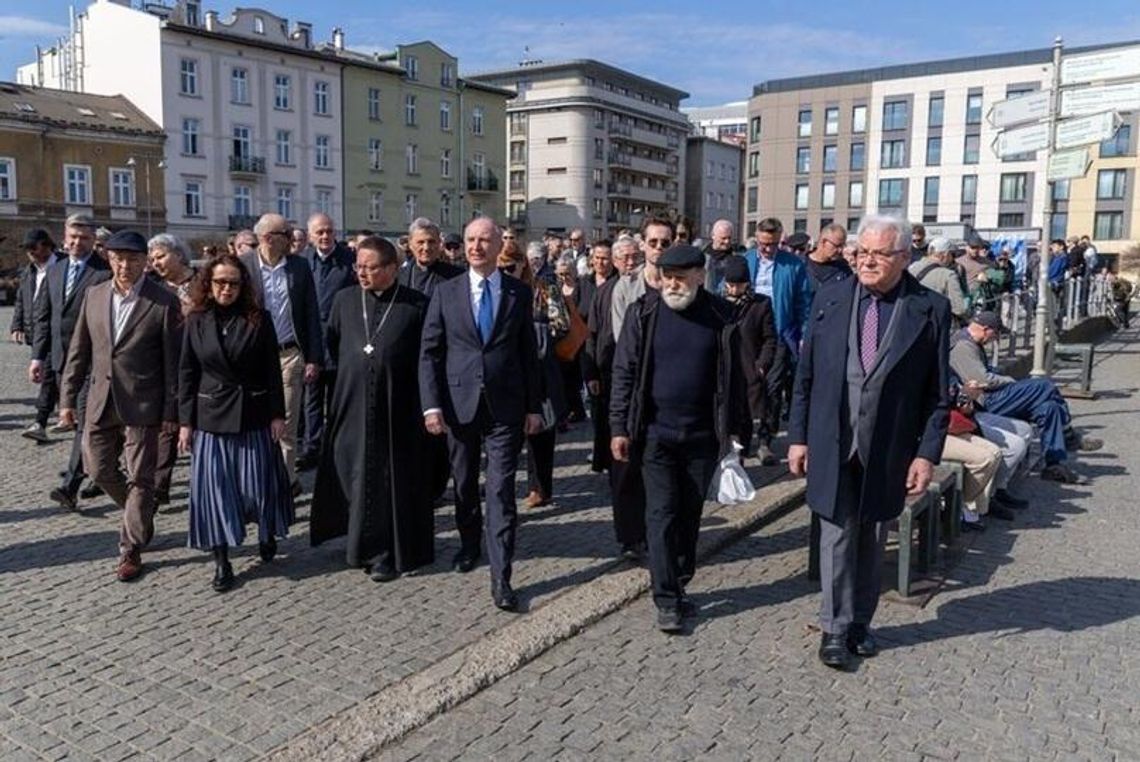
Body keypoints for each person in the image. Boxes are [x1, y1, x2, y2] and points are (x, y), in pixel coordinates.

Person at [788, 213, 951, 669]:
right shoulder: (830, 297)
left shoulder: (930, 308)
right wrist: (798, 437)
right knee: (837, 534)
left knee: (873, 534)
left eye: (879, 254)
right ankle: (834, 628)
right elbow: (806, 376)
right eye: (862, 252)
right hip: (833, 438)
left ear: (904, 256)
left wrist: (926, 453)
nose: (867, 261)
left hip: (889, 444)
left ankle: (860, 621)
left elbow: (938, 393)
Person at [610, 244, 748, 632]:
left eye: (680, 278)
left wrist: (738, 432)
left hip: (703, 436)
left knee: (689, 515)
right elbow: (623, 373)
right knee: (661, 514)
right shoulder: (644, 313)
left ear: (700, 277)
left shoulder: (722, 316)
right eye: (666, 277)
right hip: (655, 434)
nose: (672, 284)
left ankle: (680, 579)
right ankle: (666, 598)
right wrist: (619, 427)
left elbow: (735, 380)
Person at [419, 217, 543, 612]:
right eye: (470, 239)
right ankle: (469, 543)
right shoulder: (446, 292)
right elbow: (430, 352)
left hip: (506, 406)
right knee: (464, 482)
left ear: (498, 245)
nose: (475, 246)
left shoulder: (518, 292)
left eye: (484, 240)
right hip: (459, 405)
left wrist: (534, 406)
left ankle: (501, 575)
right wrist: (432, 405)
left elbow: (528, 354)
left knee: (501, 490)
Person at [58, 230, 183, 582]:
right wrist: (67, 400)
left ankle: (130, 548)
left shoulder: (164, 302)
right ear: (109, 259)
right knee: (97, 469)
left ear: (145, 262)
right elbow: (79, 352)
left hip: (144, 402)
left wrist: (171, 412)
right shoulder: (94, 295)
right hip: (101, 399)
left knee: (141, 476)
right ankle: (140, 512)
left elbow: (173, 363)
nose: (124, 266)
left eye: (132, 259)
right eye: (118, 259)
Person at [310, 237, 433, 580]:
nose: (362, 273)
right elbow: (334, 342)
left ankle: (385, 551)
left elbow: (425, 356)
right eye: (358, 266)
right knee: (354, 472)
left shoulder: (416, 304)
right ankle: (356, 544)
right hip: (351, 403)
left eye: (371, 267)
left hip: (398, 407)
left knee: (388, 479)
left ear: (392, 269)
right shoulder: (345, 300)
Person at [178, 254, 294, 592]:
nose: (226, 289)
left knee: (257, 488)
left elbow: (272, 370)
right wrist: (185, 423)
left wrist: (277, 414)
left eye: (233, 283)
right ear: (208, 285)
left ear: (243, 286)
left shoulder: (259, 319)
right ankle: (222, 561)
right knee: (216, 494)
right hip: (211, 418)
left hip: (252, 415)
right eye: (220, 282)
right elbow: (187, 373)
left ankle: (266, 531)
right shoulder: (196, 320)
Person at [949, 311, 1101, 484]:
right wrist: (1010, 380)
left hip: (990, 396)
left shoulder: (972, 343)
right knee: (1045, 386)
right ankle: (1068, 435)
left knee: (1049, 408)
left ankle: (1054, 465)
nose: (996, 339)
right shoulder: (963, 346)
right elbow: (982, 380)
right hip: (983, 401)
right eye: (996, 334)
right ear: (986, 329)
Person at [31, 213, 111, 511]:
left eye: (84, 238)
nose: (78, 242)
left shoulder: (104, 272)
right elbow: (44, 318)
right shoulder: (55, 271)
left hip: (93, 363)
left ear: (93, 240)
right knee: (78, 420)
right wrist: (37, 357)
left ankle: (70, 485)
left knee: (83, 423)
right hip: (60, 361)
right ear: (64, 239)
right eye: (73, 237)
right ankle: (101, 468)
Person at [239, 214, 323, 494]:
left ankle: (285, 483)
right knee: (256, 421)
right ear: (267, 238)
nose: (292, 238)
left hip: (289, 354)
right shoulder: (244, 266)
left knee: (286, 422)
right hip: (253, 357)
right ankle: (257, 479)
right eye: (286, 234)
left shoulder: (299, 267)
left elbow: (311, 312)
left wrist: (313, 357)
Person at [583, 236, 647, 559]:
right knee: (619, 454)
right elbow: (592, 335)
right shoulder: (606, 291)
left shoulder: (648, 288)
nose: (630, 263)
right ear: (616, 261)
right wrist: (591, 373)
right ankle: (629, 535)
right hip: (612, 378)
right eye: (625, 258)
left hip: (642, 381)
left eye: (635, 256)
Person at [398, 218, 465, 503]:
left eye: (431, 242)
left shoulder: (456, 277)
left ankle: (439, 484)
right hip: (409, 361)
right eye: (420, 242)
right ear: (411, 245)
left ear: (440, 245)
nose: (426, 247)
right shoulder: (400, 276)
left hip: (445, 361)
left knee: (442, 429)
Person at [500, 244, 568, 509]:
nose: (506, 272)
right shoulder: (497, 290)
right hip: (509, 371)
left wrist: (537, 334)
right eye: (501, 268)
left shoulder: (544, 287)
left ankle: (540, 487)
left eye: (510, 267)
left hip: (540, 368)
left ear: (522, 265)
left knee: (541, 431)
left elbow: (561, 324)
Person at [743, 217, 813, 465]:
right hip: (749, 333)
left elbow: (804, 303)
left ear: (780, 241)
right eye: (763, 243)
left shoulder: (793, 265)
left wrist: (804, 333)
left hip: (779, 332)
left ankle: (765, 440)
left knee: (773, 388)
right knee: (746, 385)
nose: (767, 249)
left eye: (772, 244)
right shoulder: (746, 260)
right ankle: (743, 438)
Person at [297, 213, 356, 472]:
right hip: (311, 341)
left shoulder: (349, 260)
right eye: (319, 232)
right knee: (311, 397)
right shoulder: (301, 262)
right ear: (310, 235)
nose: (325, 236)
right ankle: (312, 447)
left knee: (338, 397)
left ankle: (336, 446)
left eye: (329, 231)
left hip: (341, 339)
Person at [147, 233, 196, 507]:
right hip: (167, 365)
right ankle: (158, 488)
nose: (156, 263)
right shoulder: (155, 288)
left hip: (201, 363)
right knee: (167, 426)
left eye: (161, 256)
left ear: (178, 255)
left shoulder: (202, 281)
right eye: (153, 259)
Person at [722, 256, 777, 458]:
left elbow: (770, 339)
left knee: (746, 417)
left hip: (749, 369)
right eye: (731, 285)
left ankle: (744, 455)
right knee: (727, 418)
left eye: (739, 285)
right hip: (725, 369)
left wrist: (761, 365)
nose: (734, 290)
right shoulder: (718, 303)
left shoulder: (760, 304)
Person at [12, 228, 62, 443]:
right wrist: (17, 324)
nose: (30, 252)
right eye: (27, 249)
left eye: (33, 247)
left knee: (48, 376)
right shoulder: (29, 271)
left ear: (47, 245)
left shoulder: (63, 265)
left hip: (57, 332)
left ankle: (40, 422)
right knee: (55, 376)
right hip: (36, 332)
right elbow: (21, 299)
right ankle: (67, 414)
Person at [555, 254, 586, 425]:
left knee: (576, 378)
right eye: (560, 274)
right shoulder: (556, 289)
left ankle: (578, 410)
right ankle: (570, 410)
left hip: (580, 339)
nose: (564, 277)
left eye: (567, 273)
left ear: (574, 272)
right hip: (563, 341)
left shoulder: (582, 288)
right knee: (564, 379)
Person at [908, 236, 969, 323]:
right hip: (936, 323)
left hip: (912, 320)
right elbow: (959, 309)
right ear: (945, 255)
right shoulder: (948, 275)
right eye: (952, 255)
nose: (953, 259)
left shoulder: (912, 268)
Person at [805, 223, 853, 288]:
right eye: (837, 246)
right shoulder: (801, 265)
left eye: (842, 246)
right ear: (824, 242)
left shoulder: (843, 269)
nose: (840, 250)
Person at [702, 219, 739, 295]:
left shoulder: (737, 259)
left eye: (729, 238)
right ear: (713, 236)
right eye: (723, 238)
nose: (727, 241)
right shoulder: (702, 256)